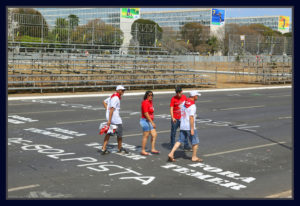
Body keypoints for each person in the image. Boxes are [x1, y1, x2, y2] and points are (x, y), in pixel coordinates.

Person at [168, 91, 203, 162]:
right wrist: (192, 129)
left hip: (182, 125)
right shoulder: (192, 106)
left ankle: (171, 153)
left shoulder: (184, 103)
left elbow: (181, 110)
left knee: (180, 140)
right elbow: (191, 117)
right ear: (194, 96)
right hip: (189, 126)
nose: (197, 97)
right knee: (195, 142)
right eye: (197, 95)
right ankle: (194, 157)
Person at [101, 85, 128, 155]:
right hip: (115, 119)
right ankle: (120, 148)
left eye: (123, 90)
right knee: (119, 134)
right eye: (122, 90)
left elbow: (104, 101)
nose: (123, 91)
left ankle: (103, 148)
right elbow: (112, 109)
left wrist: (107, 110)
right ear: (118, 90)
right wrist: (109, 120)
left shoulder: (112, 96)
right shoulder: (116, 98)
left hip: (111, 117)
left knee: (108, 133)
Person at [139, 91, 160, 156]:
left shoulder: (150, 102)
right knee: (146, 136)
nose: (151, 96)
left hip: (149, 121)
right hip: (145, 121)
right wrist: (152, 122)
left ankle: (153, 149)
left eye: (152, 95)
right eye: (149, 95)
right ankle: (143, 150)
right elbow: (146, 113)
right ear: (146, 96)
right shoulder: (145, 102)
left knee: (154, 134)